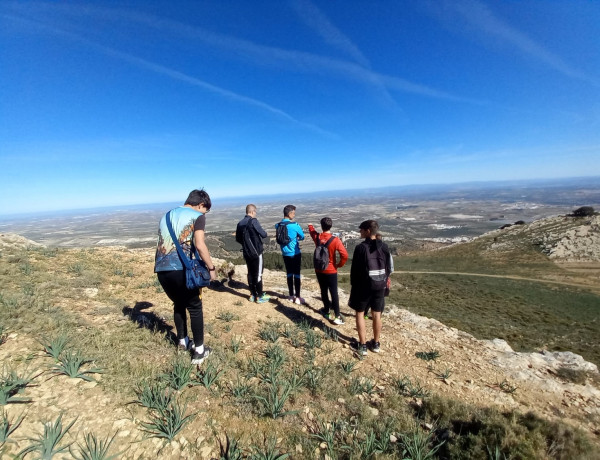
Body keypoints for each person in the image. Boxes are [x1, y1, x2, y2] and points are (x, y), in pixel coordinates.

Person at [154, 189, 217, 365]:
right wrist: (211, 268)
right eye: (206, 210)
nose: (205, 214)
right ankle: (199, 351)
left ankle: (182, 341)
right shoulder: (197, 216)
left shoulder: (166, 215)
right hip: (182, 270)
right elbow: (200, 244)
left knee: (178, 303)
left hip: (161, 269)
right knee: (195, 307)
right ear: (201, 204)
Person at [348, 220, 393, 356]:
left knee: (360, 313)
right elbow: (389, 268)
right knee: (377, 314)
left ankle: (362, 345)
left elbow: (355, 270)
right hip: (380, 285)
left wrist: (354, 286)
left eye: (361, 230)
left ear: (368, 231)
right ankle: (376, 343)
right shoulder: (384, 246)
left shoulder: (361, 248)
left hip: (364, 286)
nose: (359, 232)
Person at [308, 217, 348, 325]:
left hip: (319, 269)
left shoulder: (317, 237)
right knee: (333, 292)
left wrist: (310, 225)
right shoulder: (335, 240)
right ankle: (337, 316)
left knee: (323, 290)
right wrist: (339, 265)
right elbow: (344, 255)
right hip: (331, 270)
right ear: (331, 226)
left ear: (321, 226)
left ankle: (326, 310)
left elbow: (312, 232)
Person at [236, 204, 270, 303]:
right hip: (257, 252)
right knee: (258, 274)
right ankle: (259, 296)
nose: (255, 214)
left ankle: (252, 294)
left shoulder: (240, 223)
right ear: (252, 211)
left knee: (250, 273)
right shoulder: (253, 221)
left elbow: (238, 239)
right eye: (255, 212)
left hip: (246, 252)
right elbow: (263, 234)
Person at [275, 204, 305, 304]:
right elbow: (302, 236)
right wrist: (296, 238)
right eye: (293, 213)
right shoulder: (294, 225)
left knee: (289, 273)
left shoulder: (278, 225)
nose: (294, 215)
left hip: (285, 253)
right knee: (296, 274)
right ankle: (298, 297)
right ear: (290, 213)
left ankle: (291, 295)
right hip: (295, 253)